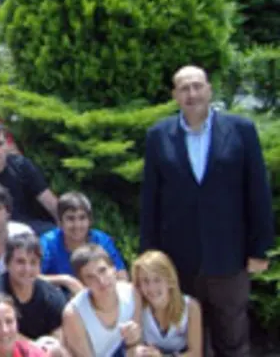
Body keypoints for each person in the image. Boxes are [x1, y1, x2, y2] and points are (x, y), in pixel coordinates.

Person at [140, 65, 274, 357]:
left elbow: (258, 191)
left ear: (209, 90)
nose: (192, 94)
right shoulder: (158, 136)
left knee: (233, 338)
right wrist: (149, 254)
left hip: (230, 258)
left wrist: (260, 248)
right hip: (180, 262)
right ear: (175, 95)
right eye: (184, 88)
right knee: (189, 340)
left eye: (197, 86)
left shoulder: (241, 131)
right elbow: (150, 198)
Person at [0, 234, 67, 352]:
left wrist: (49, 348)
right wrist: (35, 349)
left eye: (33, 262)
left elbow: (59, 333)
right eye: (20, 262)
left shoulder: (51, 295)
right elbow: (0, 333)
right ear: (7, 264)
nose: (27, 269)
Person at [0, 121, 58, 236]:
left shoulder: (22, 166)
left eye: (0, 144)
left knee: (52, 232)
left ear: (7, 145)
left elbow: (49, 201)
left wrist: (64, 227)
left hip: (26, 226)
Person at [62, 244, 143, 357]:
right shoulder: (74, 314)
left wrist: (134, 340)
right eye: (90, 277)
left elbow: (136, 346)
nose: (101, 280)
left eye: (103, 270)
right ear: (83, 283)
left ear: (114, 269)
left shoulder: (132, 293)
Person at [40, 191, 128, 295]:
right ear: (59, 222)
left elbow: (121, 276)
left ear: (90, 221)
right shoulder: (48, 242)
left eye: (82, 218)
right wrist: (66, 280)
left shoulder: (101, 240)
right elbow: (32, 277)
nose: (77, 225)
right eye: (70, 218)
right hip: (61, 299)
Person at [132, 250, 203, 357]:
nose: (151, 288)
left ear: (170, 280)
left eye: (157, 280)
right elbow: (133, 347)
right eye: (145, 281)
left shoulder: (191, 307)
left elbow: (196, 354)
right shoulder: (138, 306)